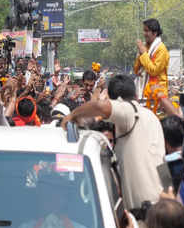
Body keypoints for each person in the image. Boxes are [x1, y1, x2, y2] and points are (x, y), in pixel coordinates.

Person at [61, 74, 165, 210]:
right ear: (135, 94)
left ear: (113, 99)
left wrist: (72, 115)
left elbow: (100, 107)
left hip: (146, 214)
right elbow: (162, 161)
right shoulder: (151, 117)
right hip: (162, 208)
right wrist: (169, 194)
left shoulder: (128, 110)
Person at [18, 171, 88, 228]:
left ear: (65, 199)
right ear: (39, 197)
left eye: (57, 195)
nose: (52, 199)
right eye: (47, 194)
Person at [134, 19, 169, 103]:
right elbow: (136, 70)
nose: (144, 34)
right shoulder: (146, 46)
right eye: (144, 31)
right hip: (143, 93)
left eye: (146, 31)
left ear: (155, 33)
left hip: (157, 94)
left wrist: (143, 53)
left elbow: (154, 71)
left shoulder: (161, 49)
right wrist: (141, 53)